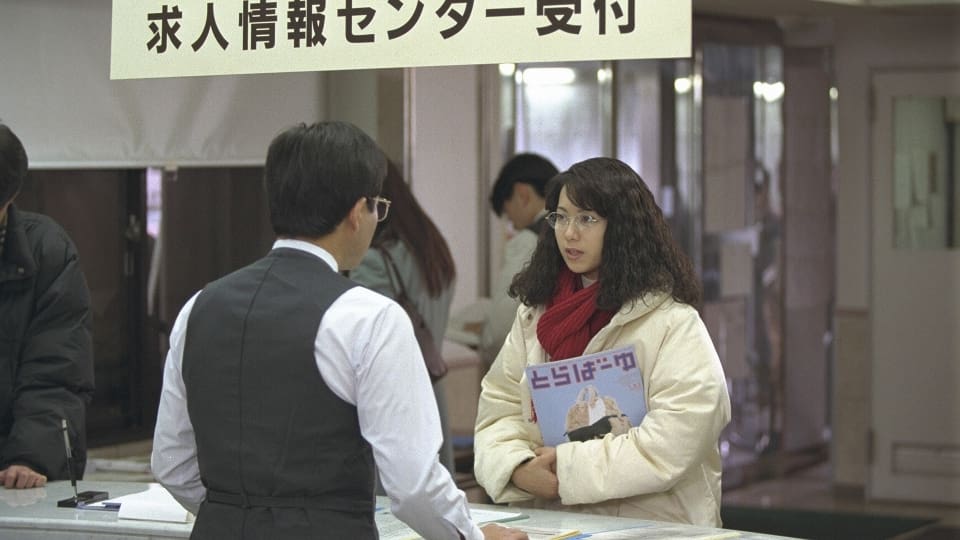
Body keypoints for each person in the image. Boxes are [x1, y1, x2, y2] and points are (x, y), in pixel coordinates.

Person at [151, 121, 527, 540]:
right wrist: (473, 536)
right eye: (377, 206)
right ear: (356, 212)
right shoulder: (369, 317)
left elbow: (171, 464)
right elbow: (415, 486)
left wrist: (237, 513)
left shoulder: (197, 307)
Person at [473, 157, 731, 527]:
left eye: (587, 219)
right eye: (561, 217)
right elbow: (500, 408)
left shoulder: (672, 322)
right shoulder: (535, 314)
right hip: (555, 525)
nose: (569, 233)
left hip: (653, 526)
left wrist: (568, 469)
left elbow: (679, 435)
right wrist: (517, 466)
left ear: (623, 227)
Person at [0, 123, 94, 490]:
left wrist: (30, 457)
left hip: (11, 469)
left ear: (10, 198)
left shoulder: (47, 252)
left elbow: (56, 371)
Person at [349, 159, 457, 476]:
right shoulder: (432, 248)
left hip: (392, 406)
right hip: (432, 394)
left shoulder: (373, 261)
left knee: (394, 496)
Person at [478, 153, 559, 365]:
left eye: (508, 213)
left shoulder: (528, 241)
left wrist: (483, 337)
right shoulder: (572, 233)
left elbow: (499, 330)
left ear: (522, 194)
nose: (512, 224)